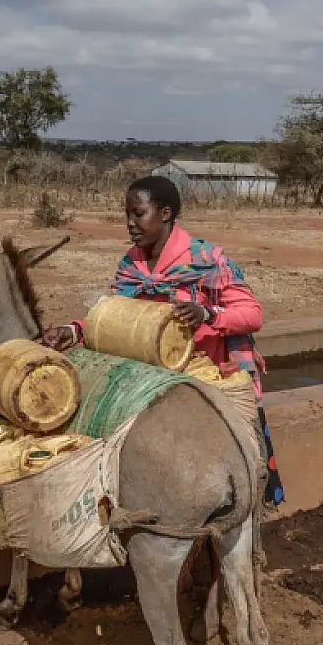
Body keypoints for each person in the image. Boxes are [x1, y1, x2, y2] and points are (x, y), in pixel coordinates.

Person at [43, 174, 286, 508]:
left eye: (138, 213)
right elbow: (116, 320)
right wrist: (72, 331)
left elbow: (251, 314)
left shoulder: (205, 259)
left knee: (243, 468)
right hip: (155, 380)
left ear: (165, 213)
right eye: (127, 214)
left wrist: (207, 314)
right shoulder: (131, 264)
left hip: (210, 377)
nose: (130, 223)